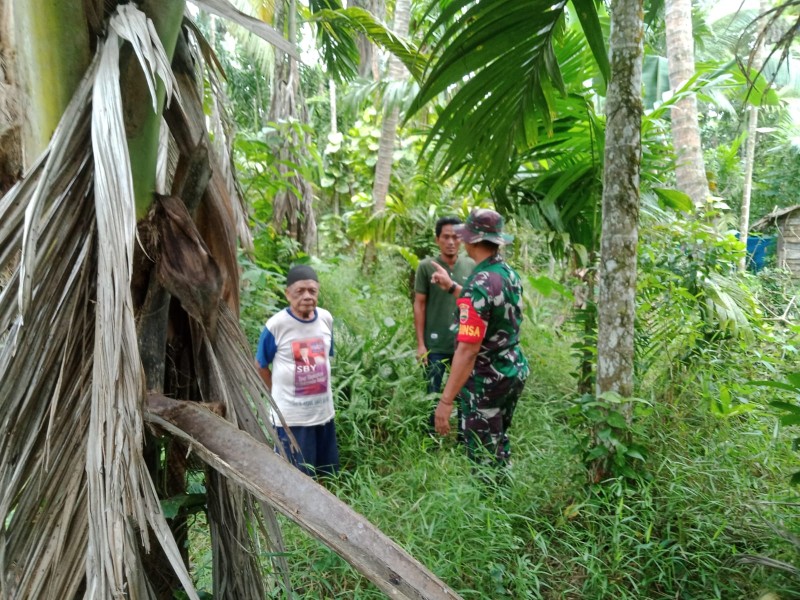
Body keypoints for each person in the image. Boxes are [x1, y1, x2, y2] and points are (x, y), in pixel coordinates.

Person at [430, 208, 529, 468]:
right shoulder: (505, 273)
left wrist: (446, 400)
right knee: (496, 439)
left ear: (472, 240)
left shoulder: (481, 283)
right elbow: (489, 307)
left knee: (483, 454)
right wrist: (452, 287)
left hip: (487, 378)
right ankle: (502, 488)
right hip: (511, 369)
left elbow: (468, 350)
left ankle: (491, 501)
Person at [256, 265, 339, 478]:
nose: (307, 296)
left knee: (325, 475)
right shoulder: (277, 325)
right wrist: (277, 394)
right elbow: (261, 365)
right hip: (292, 419)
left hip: (323, 414)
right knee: (296, 480)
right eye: (300, 291)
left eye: (312, 291)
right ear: (287, 294)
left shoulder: (326, 319)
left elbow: (326, 357)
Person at [414, 216, 475, 435]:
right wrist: (421, 344)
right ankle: (431, 440)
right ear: (437, 239)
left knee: (465, 394)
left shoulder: (471, 265)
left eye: (456, 237)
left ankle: (462, 437)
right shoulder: (426, 267)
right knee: (433, 393)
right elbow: (419, 305)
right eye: (446, 237)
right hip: (435, 345)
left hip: (464, 344)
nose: (451, 241)